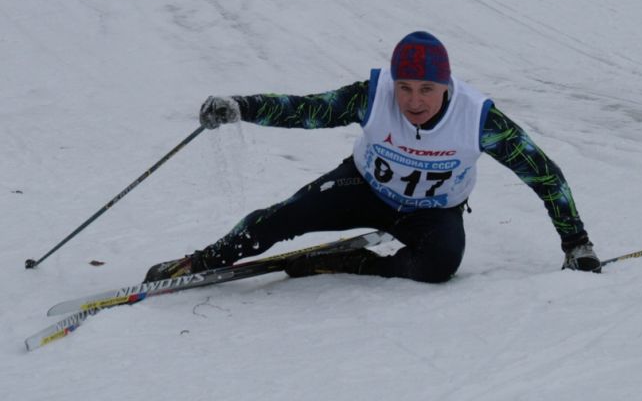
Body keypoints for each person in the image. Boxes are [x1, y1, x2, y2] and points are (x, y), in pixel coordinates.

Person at [144, 31, 601, 283]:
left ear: (447, 86)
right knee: (278, 219)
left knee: (440, 267)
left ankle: (358, 263)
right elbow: (309, 109)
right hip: (363, 189)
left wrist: (575, 244)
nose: (414, 100)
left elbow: (546, 177)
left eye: (426, 89)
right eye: (405, 87)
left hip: (432, 212)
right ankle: (200, 262)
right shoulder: (373, 95)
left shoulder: (477, 118)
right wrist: (242, 106)